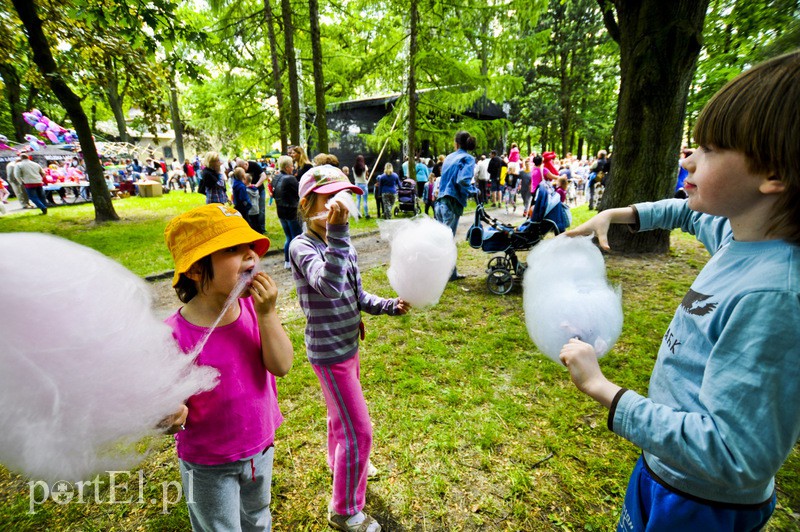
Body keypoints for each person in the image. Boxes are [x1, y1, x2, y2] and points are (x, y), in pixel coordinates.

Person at [559, 51, 800, 531]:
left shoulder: (774, 296)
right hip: (665, 471)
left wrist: (603, 389)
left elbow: (734, 453)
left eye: (709, 148)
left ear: (772, 175)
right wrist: (617, 215)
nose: (687, 158)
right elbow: (686, 212)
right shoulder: (739, 236)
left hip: (702, 502)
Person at [288, 165, 410, 532]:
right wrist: (339, 233)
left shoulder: (342, 241)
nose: (341, 206)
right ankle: (344, 510)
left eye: (345, 198)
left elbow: (354, 295)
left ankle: (339, 461)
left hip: (347, 346)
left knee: (340, 418)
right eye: (332, 198)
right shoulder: (301, 246)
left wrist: (388, 305)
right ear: (308, 204)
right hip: (328, 353)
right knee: (359, 433)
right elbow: (328, 285)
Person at [163, 203, 293, 531]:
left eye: (251, 247)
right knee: (219, 527)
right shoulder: (172, 335)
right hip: (208, 464)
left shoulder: (254, 309)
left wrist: (267, 314)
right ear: (195, 269)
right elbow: (162, 405)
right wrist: (169, 411)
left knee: (258, 517)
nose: (250, 257)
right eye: (234, 250)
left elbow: (282, 365)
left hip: (260, 446)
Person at [435, 130, 477, 281]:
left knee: (442, 239)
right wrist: (474, 190)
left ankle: (447, 272)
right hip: (452, 203)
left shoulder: (448, 157)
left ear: (456, 143)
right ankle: (446, 274)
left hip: (440, 202)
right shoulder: (468, 158)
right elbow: (463, 180)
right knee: (447, 241)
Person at [271, 155, 302, 270]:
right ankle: (297, 262)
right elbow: (299, 192)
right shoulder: (290, 179)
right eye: (292, 165)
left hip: (281, 211)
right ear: (288, 167)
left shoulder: (276, 178)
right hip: (292, 212)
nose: (293, 167)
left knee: (289, 237)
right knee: (297, 238)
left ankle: (288, 261)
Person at [237, 158, 268, 234]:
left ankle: (262, 228)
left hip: (259, 190)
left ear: (246, 164)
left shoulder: (254, 165)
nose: (244, 171)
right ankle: (252, 228)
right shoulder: (240, 168)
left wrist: (256, 186)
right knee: (250, 211)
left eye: (244, 168)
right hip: (247, 192)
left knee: (260, 209)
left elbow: (263, 176)